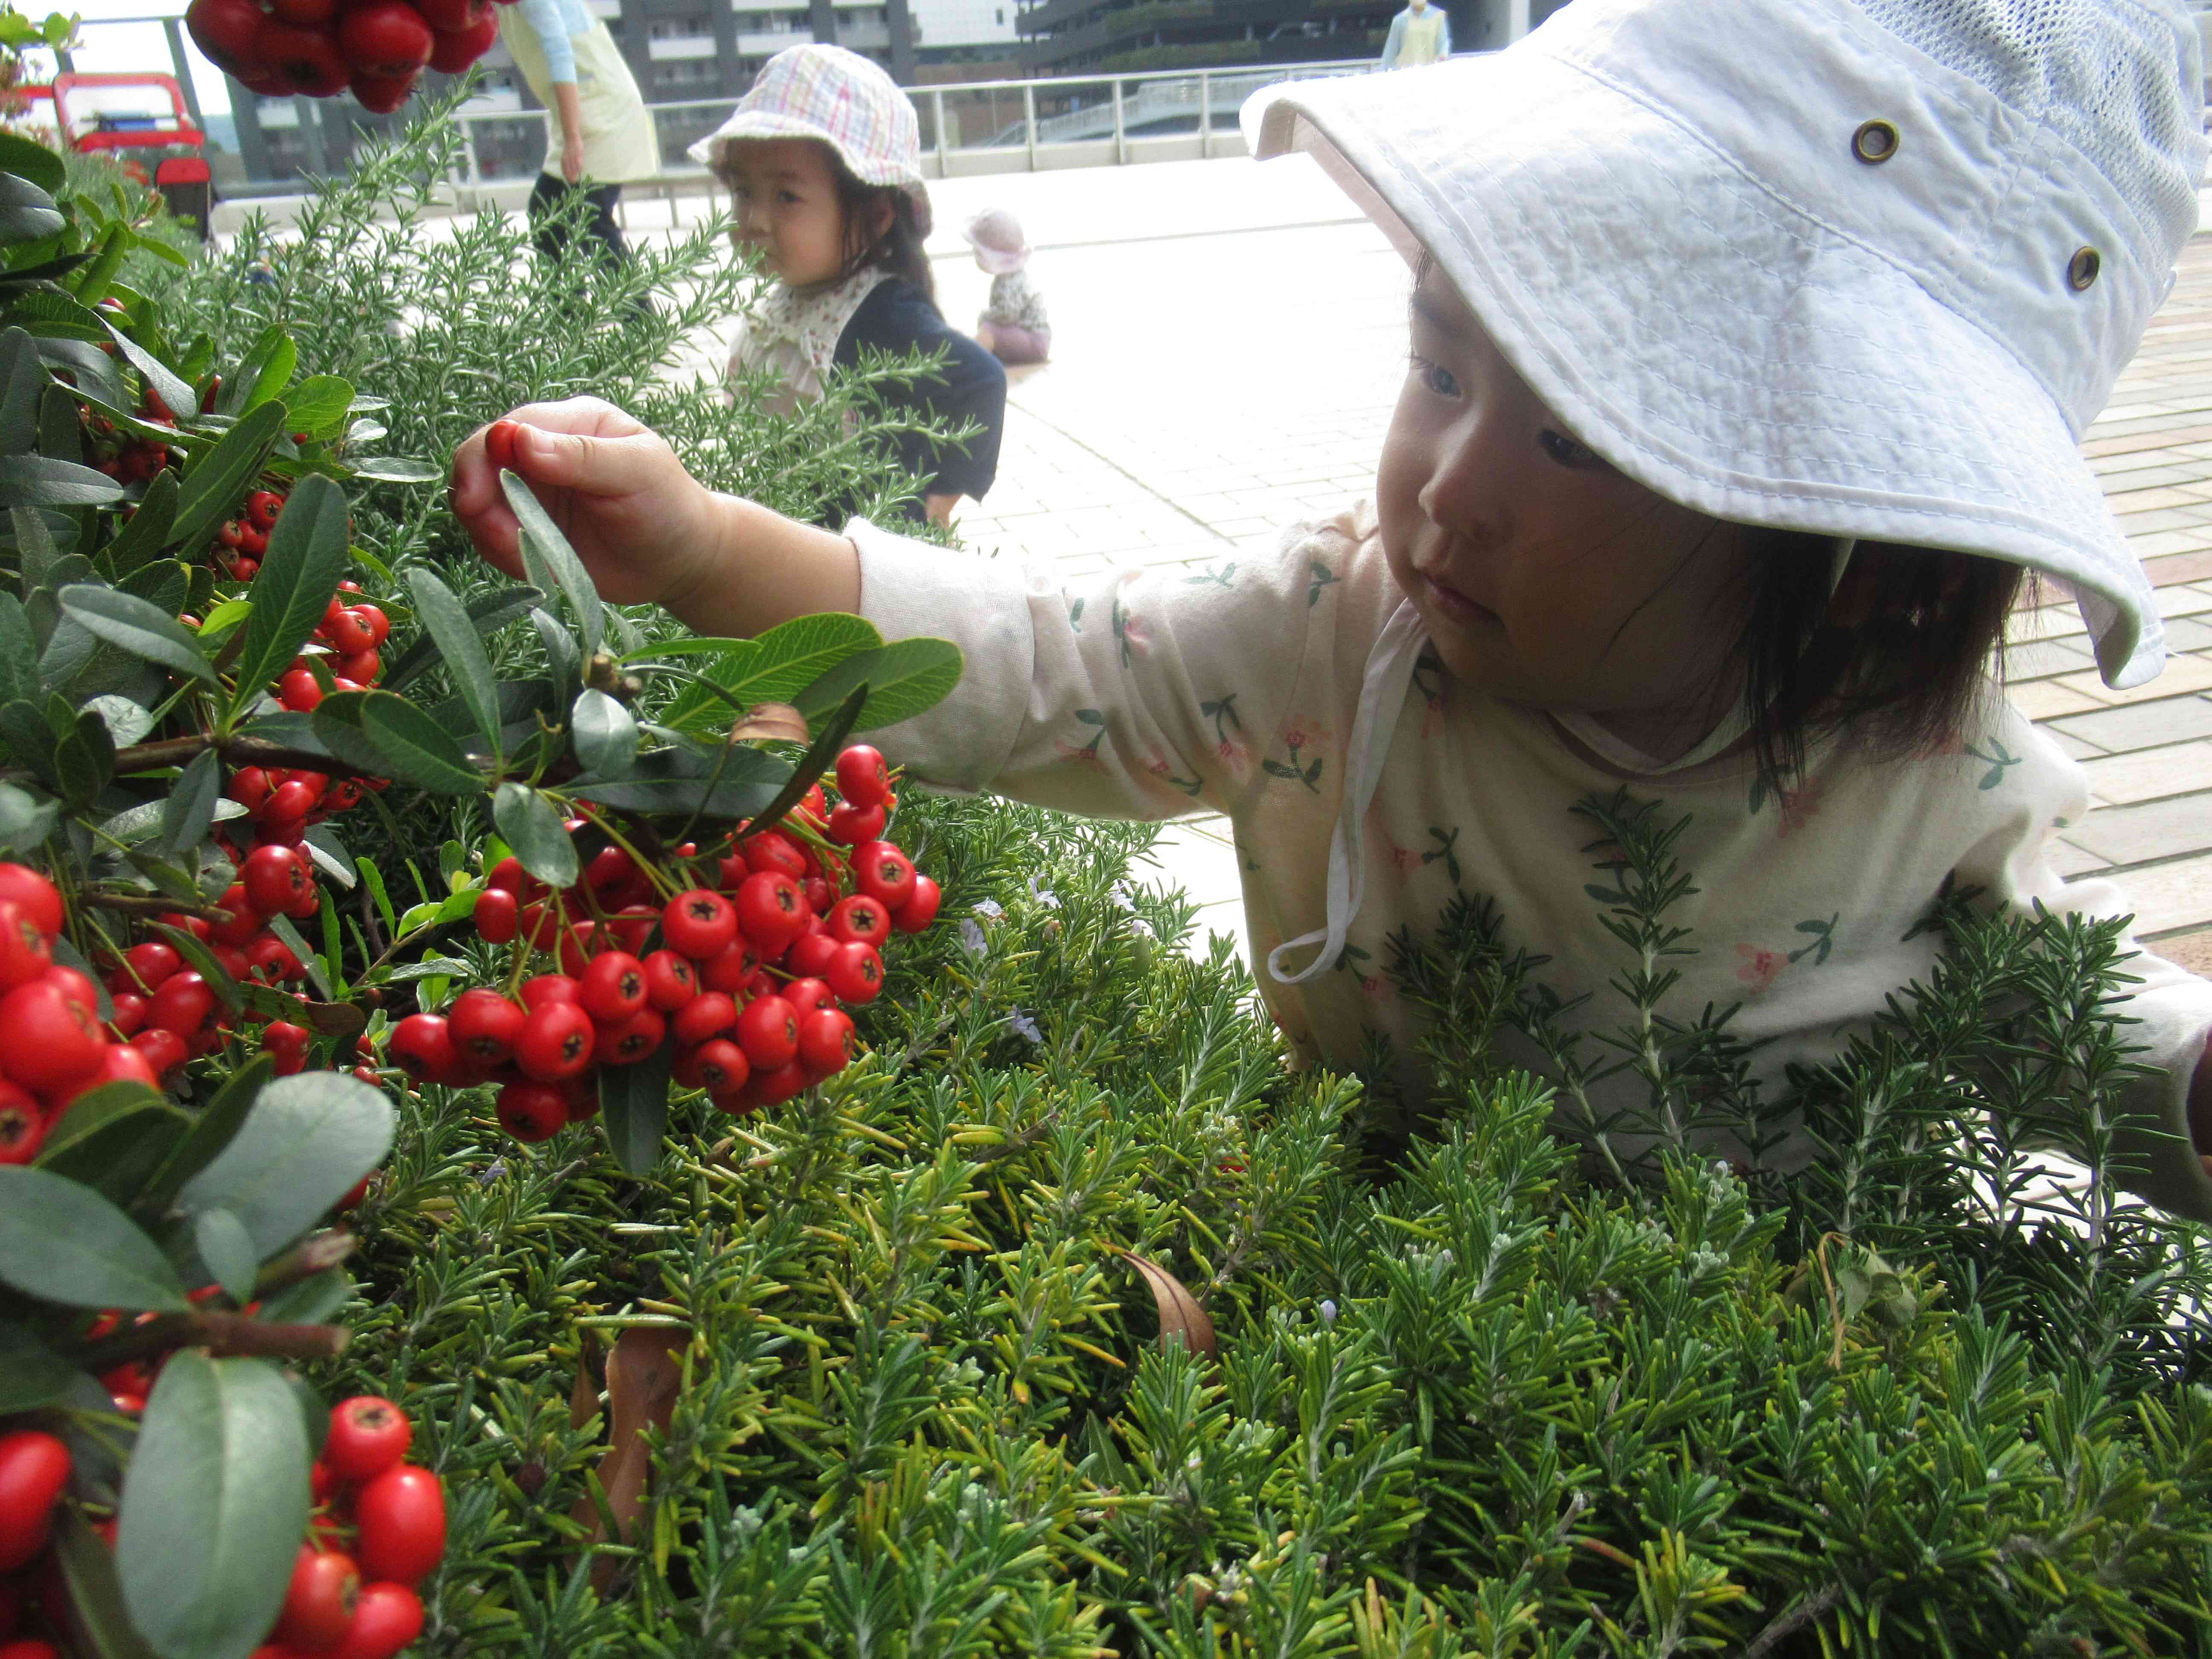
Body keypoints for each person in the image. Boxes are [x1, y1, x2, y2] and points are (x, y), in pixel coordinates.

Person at [450, 0, 2212, 1220]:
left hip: (1733, 1394)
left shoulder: (1916, 777)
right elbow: (1035, 657)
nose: (1448, 482)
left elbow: (2062, 1004)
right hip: (1349, 1305)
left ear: (1857, 546)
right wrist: (696, 549)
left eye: (1587, 436)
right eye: (1437, 363)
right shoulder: (1333, 635)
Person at [694, 44, 1006, 529]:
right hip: (789, 535)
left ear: (877, 214)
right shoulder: (793, 295)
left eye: (786, 196)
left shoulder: (881, 312)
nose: (754, 219)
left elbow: (980, 379)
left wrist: (938, 500)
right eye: (743, 191)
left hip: (863, 566)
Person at [498, 0, 661, 272]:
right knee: (547, 212)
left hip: (603, 110)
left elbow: (559, 51)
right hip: (584, 108)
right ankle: (569, 312)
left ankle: (638, 315)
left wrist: (573, 138)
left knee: (589, 219)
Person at [964, 208, 1051, 367]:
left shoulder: (1009, 283)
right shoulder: (1010, 276)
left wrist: (986, 316)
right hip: (1030, 337)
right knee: (988, 328)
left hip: (1034, 341)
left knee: (989, 332)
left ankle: (970, 363)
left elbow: (1007, 315)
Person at [1379, 0, 1449, 70]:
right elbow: (1390, 52)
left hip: (1430, 71)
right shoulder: (1400, 20)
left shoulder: (1438, 16)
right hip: (1405, 72)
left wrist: (1443, 56)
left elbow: (1443, 43)